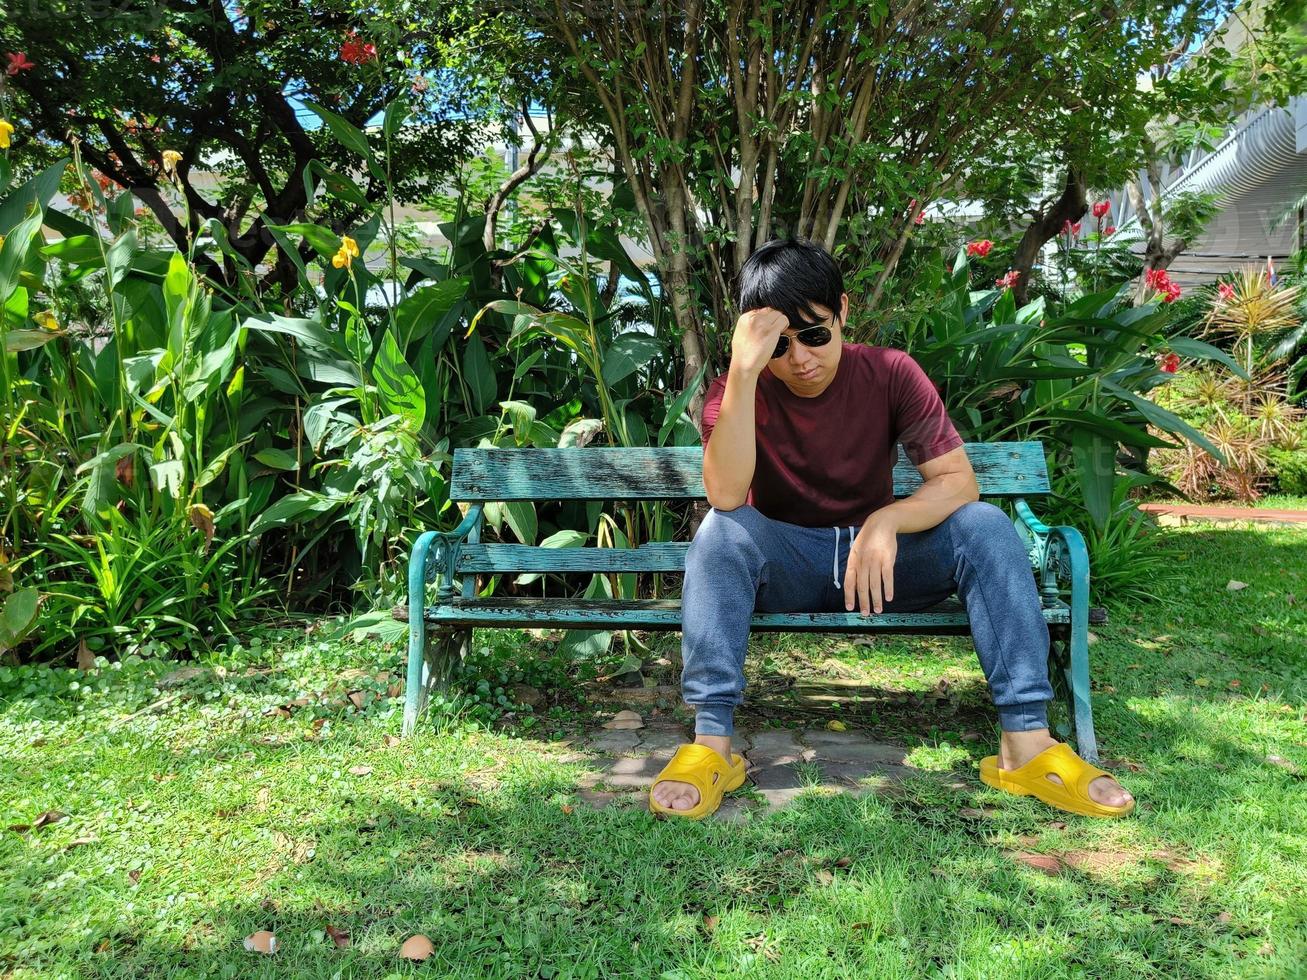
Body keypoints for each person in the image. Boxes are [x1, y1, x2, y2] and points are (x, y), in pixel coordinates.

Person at [648, 238, 1135, 821]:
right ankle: (712, 746)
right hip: (786, 563)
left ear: (843, 314)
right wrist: (745, 371)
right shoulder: (739, 389)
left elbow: (958, 482)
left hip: (881, 566)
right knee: (721, 534)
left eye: (816, 334)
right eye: (780, 344)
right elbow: (726, 496)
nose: (800, 358)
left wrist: (887, 519)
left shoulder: (888, 372)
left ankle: (1027, 744)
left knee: (983, 526)